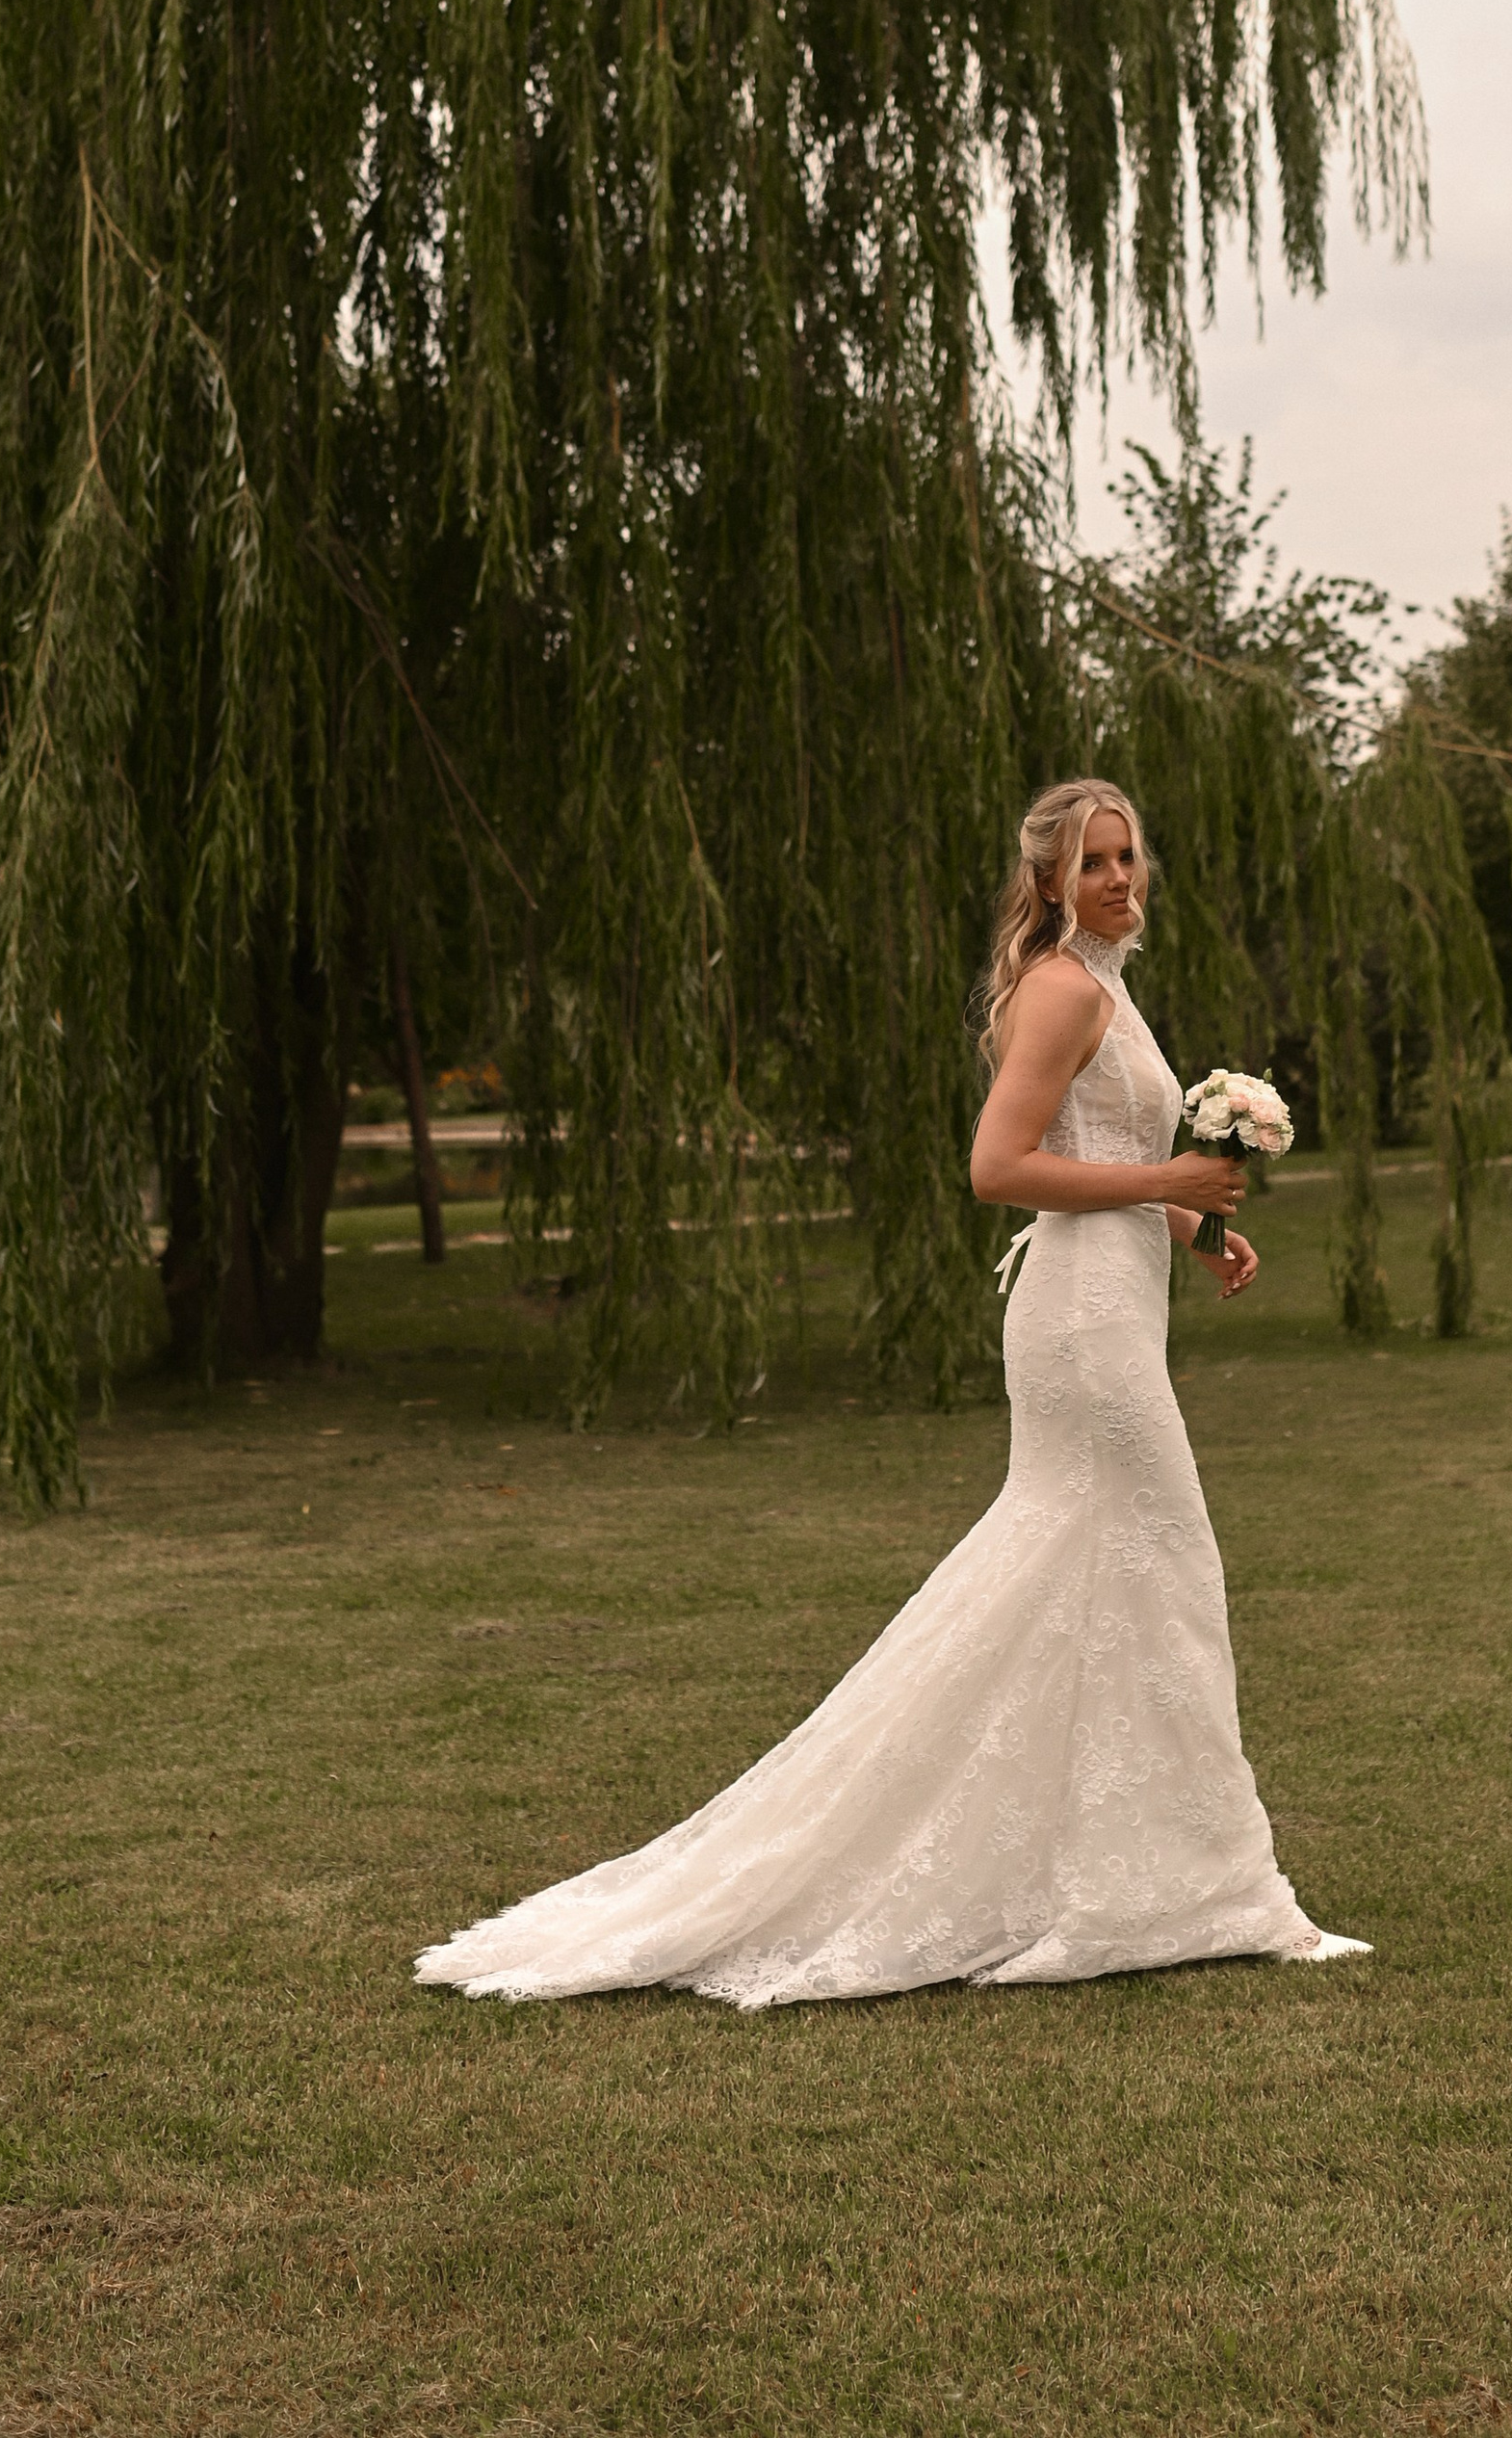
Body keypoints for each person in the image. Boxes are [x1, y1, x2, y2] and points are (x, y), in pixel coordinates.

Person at [413, 774, 1368, 2004]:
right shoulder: (1066, 988)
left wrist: (1190, 1219)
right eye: (1093, 863)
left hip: (1115, 1298)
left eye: (1128, 857)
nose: (1120, 880)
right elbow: (997, 1166)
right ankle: (1219, 1890)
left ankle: (1152, 1874)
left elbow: (1099, 1153)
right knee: (1160, 1556)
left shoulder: (1103, 986)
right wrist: (1165, 1179)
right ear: (1047, 882)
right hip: (1082, 1326)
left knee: (1108, 1570)